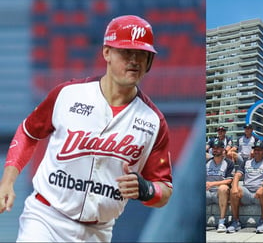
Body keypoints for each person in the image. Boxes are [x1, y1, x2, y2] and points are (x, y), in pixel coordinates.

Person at [0, 15, 173, 242]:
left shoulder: (153, 121)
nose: (134, 60)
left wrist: (147, 190)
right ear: (107, 53)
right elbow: (28, 132)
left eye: (142, 54)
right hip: (46, 219)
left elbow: (165, 191)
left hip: (98, 231)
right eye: (126, 52)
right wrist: (7, 182)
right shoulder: (69, 94)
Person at [227, 140, 263, 234]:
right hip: (247, 192)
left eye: (259, 150)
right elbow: (237, 175)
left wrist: (262, 186)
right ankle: (236, 221)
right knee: (233, 190)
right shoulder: (246, 162)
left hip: (259, 192)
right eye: (255, 149)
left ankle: (262, 221)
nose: (257, 152)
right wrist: (235, 186)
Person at [206, 139, 235, 233]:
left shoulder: (229, 163)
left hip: (219, 193)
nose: (215, 150)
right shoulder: (207, 162)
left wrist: (212, 184)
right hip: (207, 191)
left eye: (218, 148)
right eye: (214, 148)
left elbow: (229, 180)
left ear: (223, 149)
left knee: (223, 188)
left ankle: (222, 222)